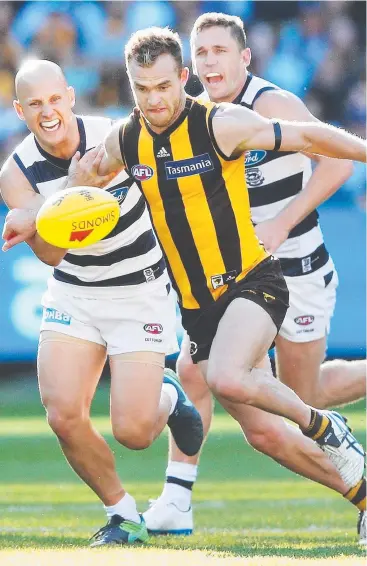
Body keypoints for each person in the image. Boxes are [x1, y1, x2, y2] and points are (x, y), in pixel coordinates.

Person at [88, 25, 366, 542]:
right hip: (199, 308)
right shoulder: (126, 138)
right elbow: (88, 173)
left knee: (231, 379)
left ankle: (328, 429)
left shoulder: (224, 123)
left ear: (183, 79)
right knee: (261, 430)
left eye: (164, 86)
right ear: (131, 86)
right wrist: (39, 213)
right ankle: (363, 492)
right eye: (142, 88)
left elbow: (310, 138)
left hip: (258, 280)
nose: (154, 99)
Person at [0, 59, 204, 547]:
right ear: (19, 111)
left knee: (134, 433)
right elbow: (51, 253)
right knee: (62, 413)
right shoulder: (15, 172)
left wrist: (55, 204)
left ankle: (168, 395)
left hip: (139, 290)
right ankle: (123, 514)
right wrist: (78, 188)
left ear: (70, 96)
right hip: (74, 291)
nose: (48, 112)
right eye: (35, 105)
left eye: (54, 100)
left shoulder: (115, 136)